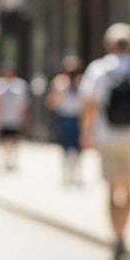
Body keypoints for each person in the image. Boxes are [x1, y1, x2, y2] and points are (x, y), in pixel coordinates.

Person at [80, 23, 130, 260]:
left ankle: (117, 237)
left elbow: (90, 106)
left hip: (107, 137)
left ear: (109, 46)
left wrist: (86, 133)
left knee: (112, 188)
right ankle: (123, 231)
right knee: (127, 188)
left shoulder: (98, 70)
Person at [46, 54, 84, 185]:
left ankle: (76, 173)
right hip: (65, 117)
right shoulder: (60, 82)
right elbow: (53, 102)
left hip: (78, 118)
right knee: (65, 147)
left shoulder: (82, 82)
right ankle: (67, 174)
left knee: (78, 148)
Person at [0, 65, 29, 170]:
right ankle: (4, 161)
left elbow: (24, 103)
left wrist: (24, 119)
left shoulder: (20, 84)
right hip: (2, 118)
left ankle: (13, 160)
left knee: (14, 140)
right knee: (3, 141)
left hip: (15, 118)